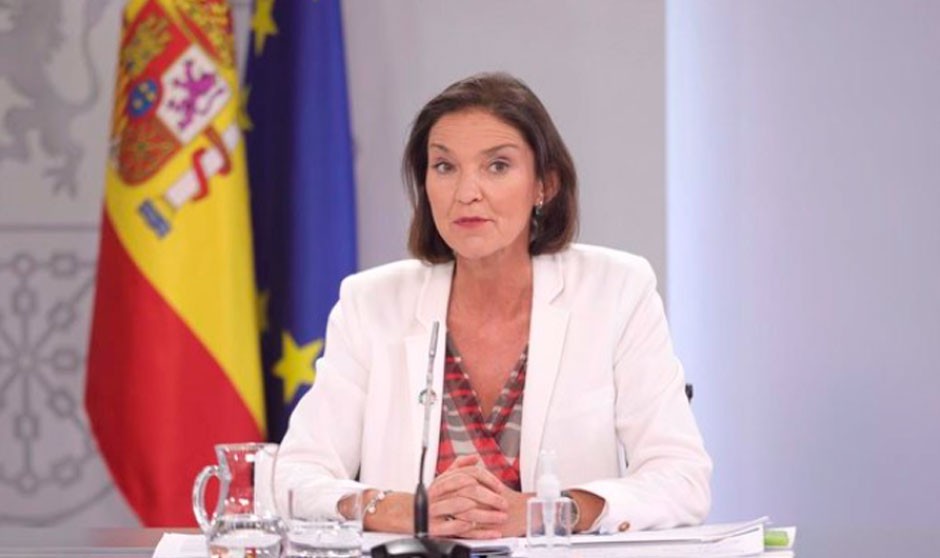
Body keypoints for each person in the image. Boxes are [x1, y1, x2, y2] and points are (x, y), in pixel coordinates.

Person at [275, 72, 711, 538]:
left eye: (497, 166)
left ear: (545, 184)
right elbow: (292, 478)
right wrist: (392, 509)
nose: (467, 192)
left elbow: (682, 479)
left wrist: (549, 512)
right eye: (445, 166)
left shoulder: (617, 291)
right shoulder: (371, 304)